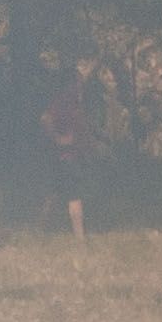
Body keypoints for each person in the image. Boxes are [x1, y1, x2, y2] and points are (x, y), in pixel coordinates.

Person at [40, 67, 101, 242]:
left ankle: (40, 229)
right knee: (74, 194)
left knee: (55, 192)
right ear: (69, 85)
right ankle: (80, 237)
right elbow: (45, 119)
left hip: (77, 155)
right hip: (67, 157)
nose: (80, 86)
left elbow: (82, 129)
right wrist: (59, 139)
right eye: (77, 83)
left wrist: (92, 145)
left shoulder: (76, 104)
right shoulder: (62, 103)